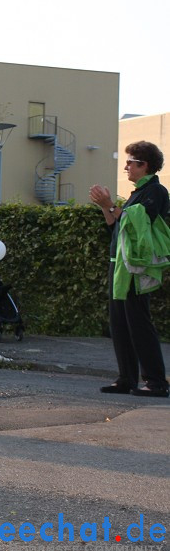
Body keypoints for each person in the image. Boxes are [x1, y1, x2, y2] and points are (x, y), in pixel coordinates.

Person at [90, 140, 169, 398]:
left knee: (139, 323)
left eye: (131, 162)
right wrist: (106, 206)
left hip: (135, 268)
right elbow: (117, 226)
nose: (126, 167)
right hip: (120, 265)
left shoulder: (156, 191)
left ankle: (156, 382)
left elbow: (137, 224)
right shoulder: (137, 193)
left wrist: (111, 204)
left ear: (145, 165)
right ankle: (126, 379)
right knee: (120, 324)